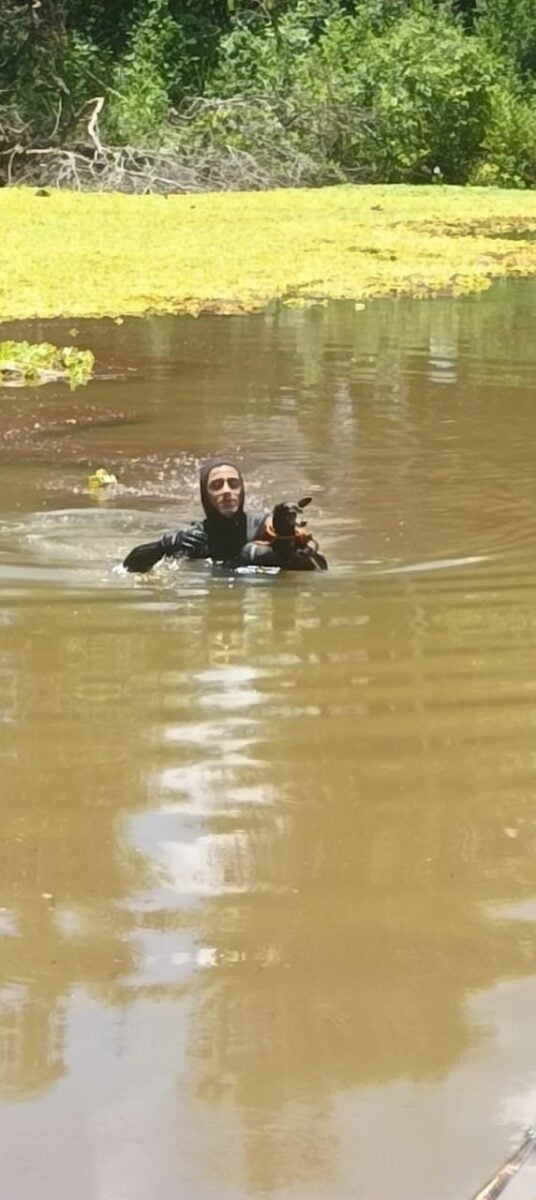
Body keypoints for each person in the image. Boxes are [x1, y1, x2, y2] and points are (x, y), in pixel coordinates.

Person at [122, 457, 327, 573]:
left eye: (233, 484)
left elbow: (321, 570)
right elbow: (128, 567)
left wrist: (287, 541)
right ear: (205, 495)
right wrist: (165, 545)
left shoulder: (265, 528)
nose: (227, 491)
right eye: (217, 486)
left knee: (253, 552)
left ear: (242, 490)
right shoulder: (196, 538)